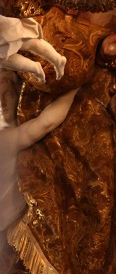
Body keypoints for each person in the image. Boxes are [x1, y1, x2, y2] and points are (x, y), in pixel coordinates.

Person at [0, 71, 79, 233]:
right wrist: (76, 88)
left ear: (17, 93)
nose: (2, 103)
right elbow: (45, 123)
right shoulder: (4, 139)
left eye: (6, 94)